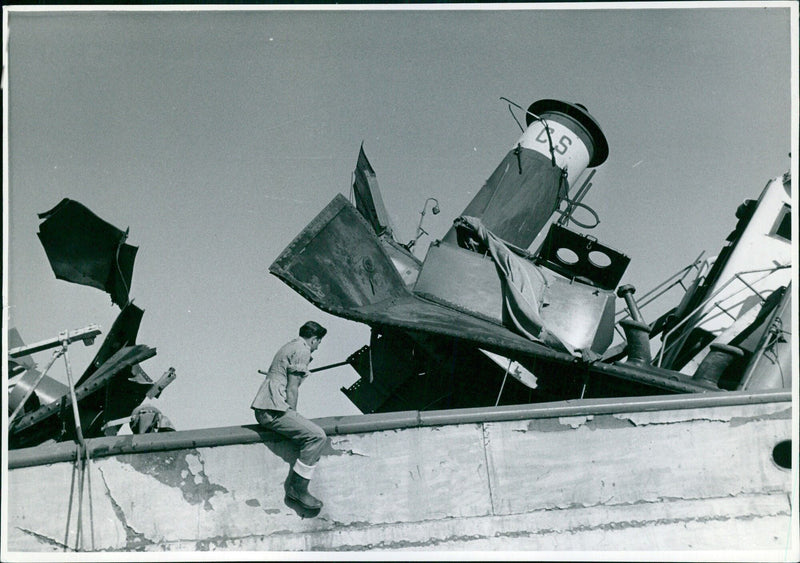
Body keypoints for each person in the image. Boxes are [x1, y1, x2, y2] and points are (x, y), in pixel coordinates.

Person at [251, 321, 328, 511]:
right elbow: (292, 388)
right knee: (317, 436)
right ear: (314, 339)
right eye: (318, 343)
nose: (317, 347)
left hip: (266, 408)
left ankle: (297, 488)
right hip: (274, 410)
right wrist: (293, 414)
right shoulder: (302, 350)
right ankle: (297, 489)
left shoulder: (290, 346)